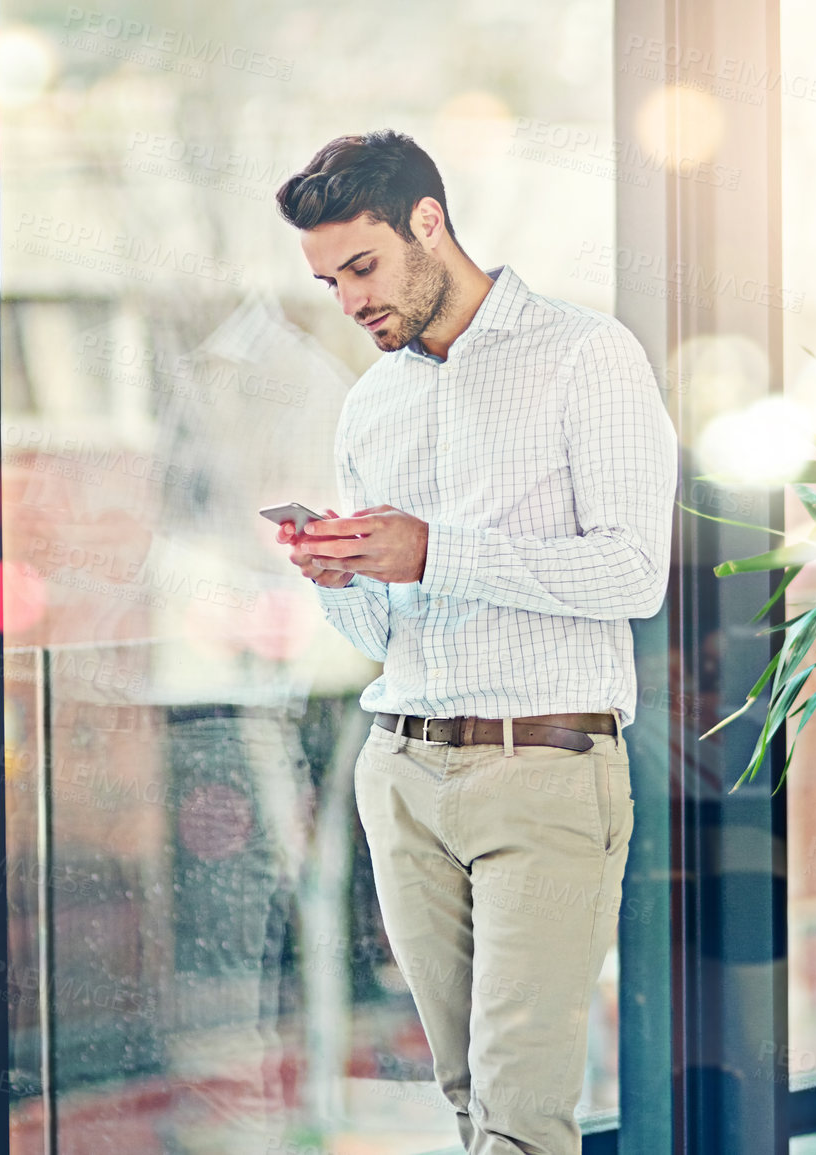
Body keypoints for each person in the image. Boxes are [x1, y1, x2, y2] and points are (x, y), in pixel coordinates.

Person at [271, 129, 678, 1154]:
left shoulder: (587, 355)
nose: (352, 300)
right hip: (401, 772)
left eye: (362, 267)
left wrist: (433, 553)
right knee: (465, 1100)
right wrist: (341, 573)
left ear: (429, 223)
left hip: (542, 770)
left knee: (522, 1115)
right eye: (329, 282)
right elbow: (383, 619)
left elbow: (634, 572)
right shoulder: (374, 404)